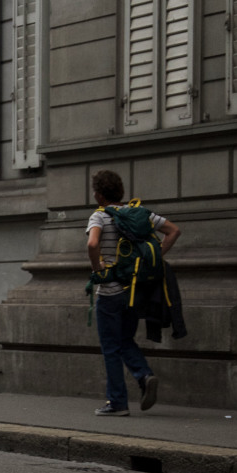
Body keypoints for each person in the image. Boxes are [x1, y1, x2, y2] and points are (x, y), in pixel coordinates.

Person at [86, 170, 180, 416]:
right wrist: (155, 258)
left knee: (110, 347)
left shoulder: (99, 216)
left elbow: (92, 244)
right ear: (120, 192)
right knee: (125, 340)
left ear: (98, 194)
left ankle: (117, 403)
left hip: (109, 293)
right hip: (135, 291)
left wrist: (98, 269)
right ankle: (144, 375)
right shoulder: (141, 213)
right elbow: (173, 231)